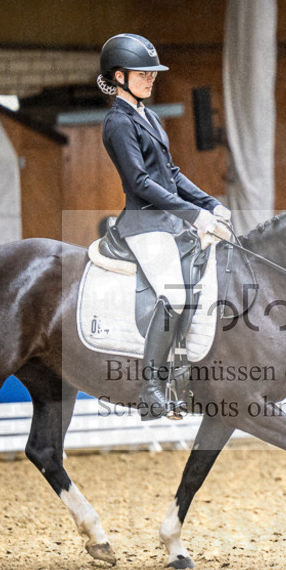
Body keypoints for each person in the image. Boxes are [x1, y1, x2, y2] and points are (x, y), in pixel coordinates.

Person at [97, 33, 232, 420]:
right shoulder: (117, 123)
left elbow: (170, 173)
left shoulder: (150, 116)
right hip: (143, 225)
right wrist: (194, 215)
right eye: (142, 73)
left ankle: (186, 371)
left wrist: (210, 204)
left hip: (169, 220)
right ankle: (152, 388)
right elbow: (140, 183)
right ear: (119, 76)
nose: (150, 79)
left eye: (152, 73)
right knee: (173, 295)